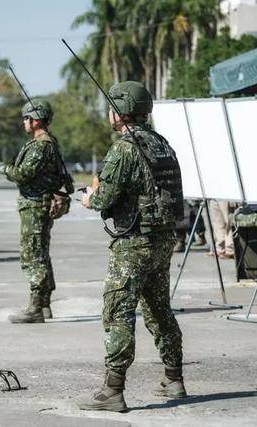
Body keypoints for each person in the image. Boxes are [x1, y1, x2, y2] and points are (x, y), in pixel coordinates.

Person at [77, 81, 186, 412]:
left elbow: (105, 198)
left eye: (111, 109)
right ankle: (174, 378)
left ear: (120, 112)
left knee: (118, 309)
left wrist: (88, 199)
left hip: (133, 243)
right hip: (164, 239)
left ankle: (113, 390)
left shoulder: (124, 148)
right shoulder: (161, 144)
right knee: (158, 308)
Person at [0, 98, 73, 323]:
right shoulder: (46, 143)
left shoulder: (42, 145)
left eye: (26, 118)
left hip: (35, 206)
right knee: (40, 253)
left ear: (36, 120)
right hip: (37, 205)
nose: (23, 122)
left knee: (33, 256)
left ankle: (35, 309)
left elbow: (22, 174)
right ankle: (44, 304)